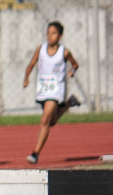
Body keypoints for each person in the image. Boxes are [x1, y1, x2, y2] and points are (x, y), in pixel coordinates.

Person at [22, 21, 80, 164]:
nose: (49, 36)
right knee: (51, 122)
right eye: (48, 33)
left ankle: (35, 153)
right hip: (43, 89)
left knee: (44, 119)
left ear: (60, 36)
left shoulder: (64, 52)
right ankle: (69, 103)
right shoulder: (40, 49)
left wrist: (72, 72)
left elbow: (75, 64)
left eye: (53, 33)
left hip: (56, 90)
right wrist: (26, 78)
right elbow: (31, 64)